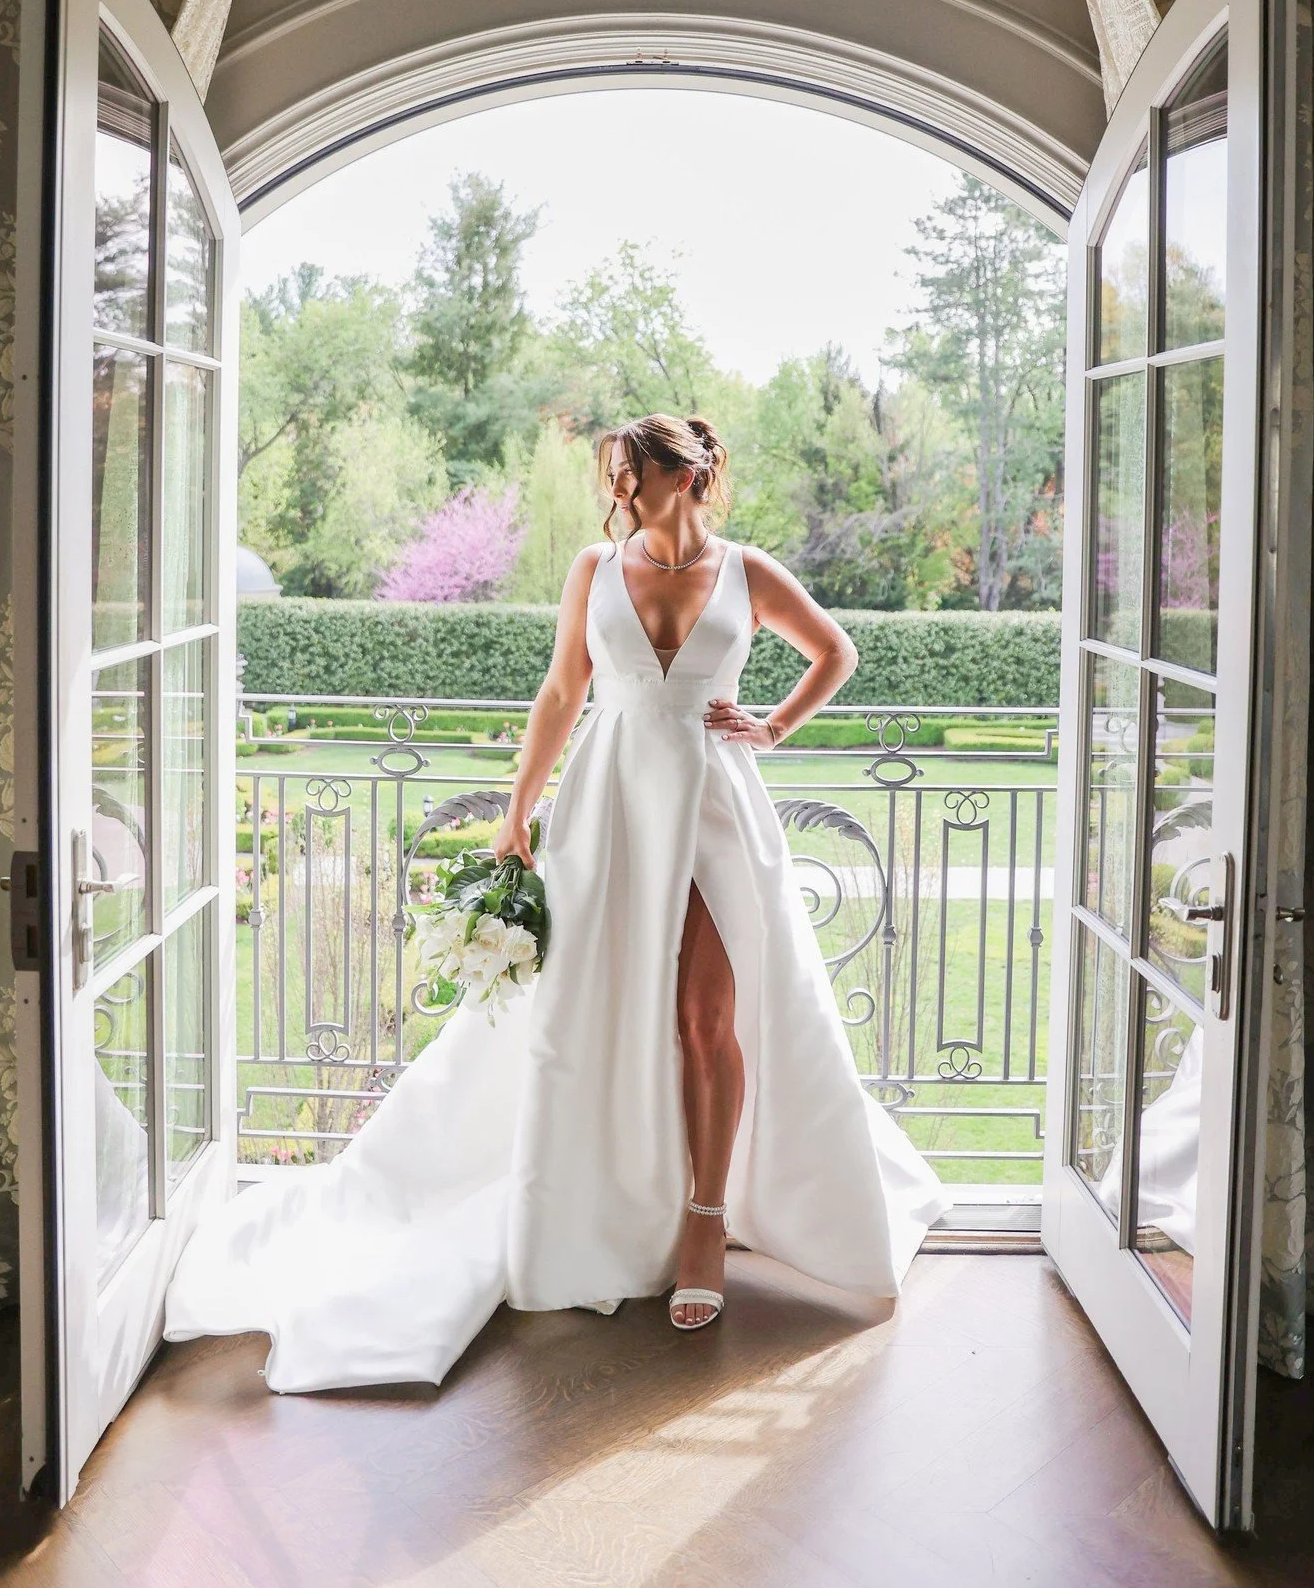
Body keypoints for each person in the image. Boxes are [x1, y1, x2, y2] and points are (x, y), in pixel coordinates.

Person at [165, 414, 950, 1388]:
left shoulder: (748, 570)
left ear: (689, 473)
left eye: (632, 477)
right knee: (590, 1015)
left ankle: (705, 1224)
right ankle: (603, 1207)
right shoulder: (593, 567)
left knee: (709, 1019)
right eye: (612, 478)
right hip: (608, 807)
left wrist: (773, 724)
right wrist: (516, 810)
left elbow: (833, 651)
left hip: (711, 805)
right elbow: (559, 690)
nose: (615, 493)